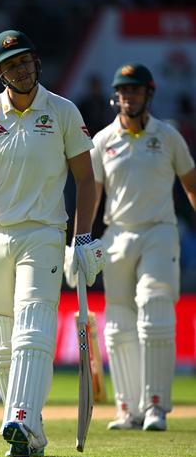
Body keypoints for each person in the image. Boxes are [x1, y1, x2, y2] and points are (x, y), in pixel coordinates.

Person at [0, 30, 103, 457]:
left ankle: (21, 418)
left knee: (34, 325)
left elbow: (86, 180)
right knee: (3, 340)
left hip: (44, 233)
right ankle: (31, 430)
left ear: (36, 62)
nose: (22, 69)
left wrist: (82, 237)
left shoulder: (63, 111)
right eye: (12, 65)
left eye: (26, 61)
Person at [69, 64, 196, 432]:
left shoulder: (168, 136)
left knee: (155, 308)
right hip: (116, 234)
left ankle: (156, 405)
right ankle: (129, 408)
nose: (129, 97)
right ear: (116, 97)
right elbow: (90, 194)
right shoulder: (103, 141)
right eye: (124, 92)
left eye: (136, 91)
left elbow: (190, 183)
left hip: (159, 231)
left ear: (148, 94)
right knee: (118, 324)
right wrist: (81, 240)